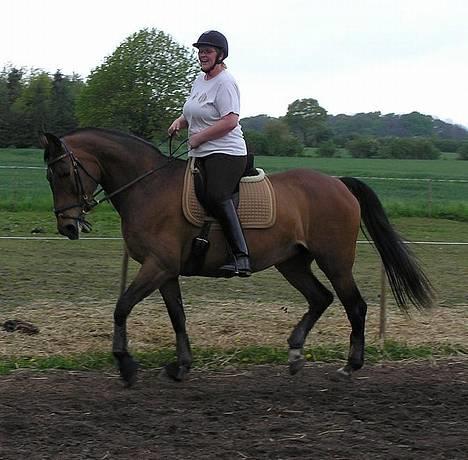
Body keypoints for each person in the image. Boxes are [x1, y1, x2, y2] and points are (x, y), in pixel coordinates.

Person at [168, 30, 251, 277]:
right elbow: (196, 110)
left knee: (216, 195)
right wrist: (180, 121)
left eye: (208, 51)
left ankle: (241, 257)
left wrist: (199, 137)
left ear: (220, 55)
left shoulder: (226, 82)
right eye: (200, 51)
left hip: (227, 152)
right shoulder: (200, 80)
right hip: (201, 152)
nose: (202, 55)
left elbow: (230, 121)